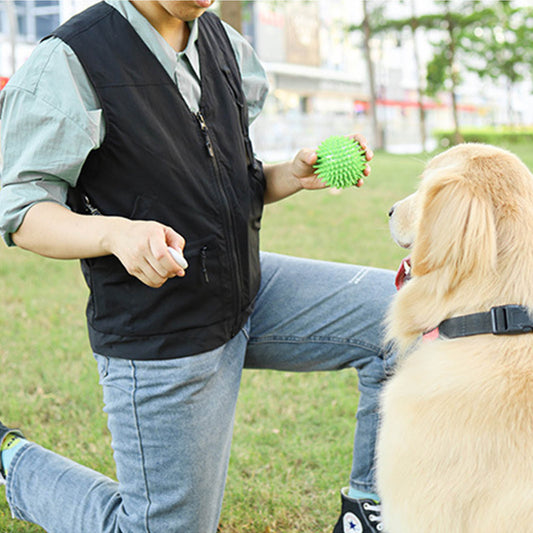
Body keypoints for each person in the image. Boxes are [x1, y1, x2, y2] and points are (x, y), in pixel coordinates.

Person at [0, 1, 395, 532]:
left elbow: (231, 177)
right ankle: (11, 460)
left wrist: (289, 177)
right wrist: (114, 233)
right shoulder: (69, 61)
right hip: (165, 328)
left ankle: (367, 510)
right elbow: (23, 211)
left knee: (400, 318)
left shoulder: (226, 45)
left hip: (247, 290)